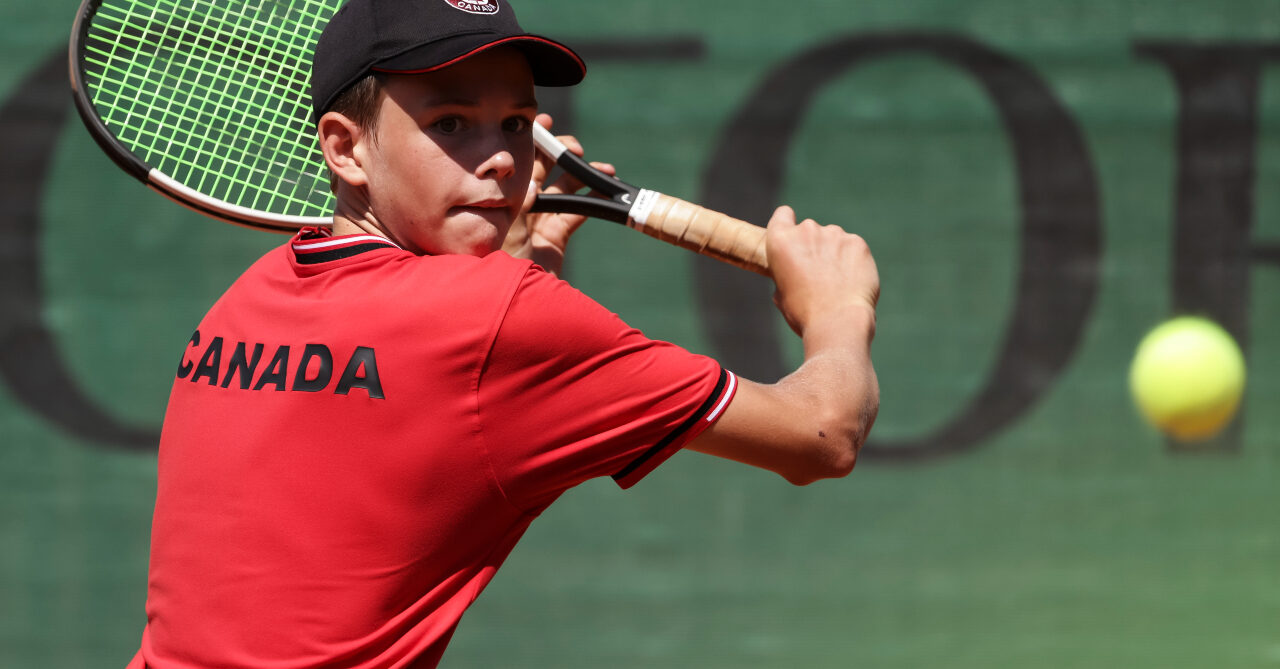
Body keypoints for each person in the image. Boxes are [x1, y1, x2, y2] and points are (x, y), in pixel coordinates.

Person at [127, 0, 880, 666]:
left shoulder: (243, 300)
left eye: (516, 123)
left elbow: (442, 403)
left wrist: (526, 266)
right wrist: (838, 311)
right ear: (345, 146)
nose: (499, 158)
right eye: (449, 123)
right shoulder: (503, 317)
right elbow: (821, 434)